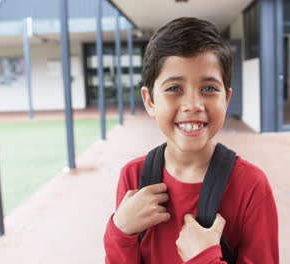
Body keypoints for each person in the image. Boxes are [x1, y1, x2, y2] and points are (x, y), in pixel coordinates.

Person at [104, 17, 279, 264]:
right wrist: (120, 231)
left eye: (208, 88)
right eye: (174, 88)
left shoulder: (251, 186)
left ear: (226, 100)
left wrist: (204, 259)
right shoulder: (134, 177)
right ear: (150, 101)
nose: (193, 105)